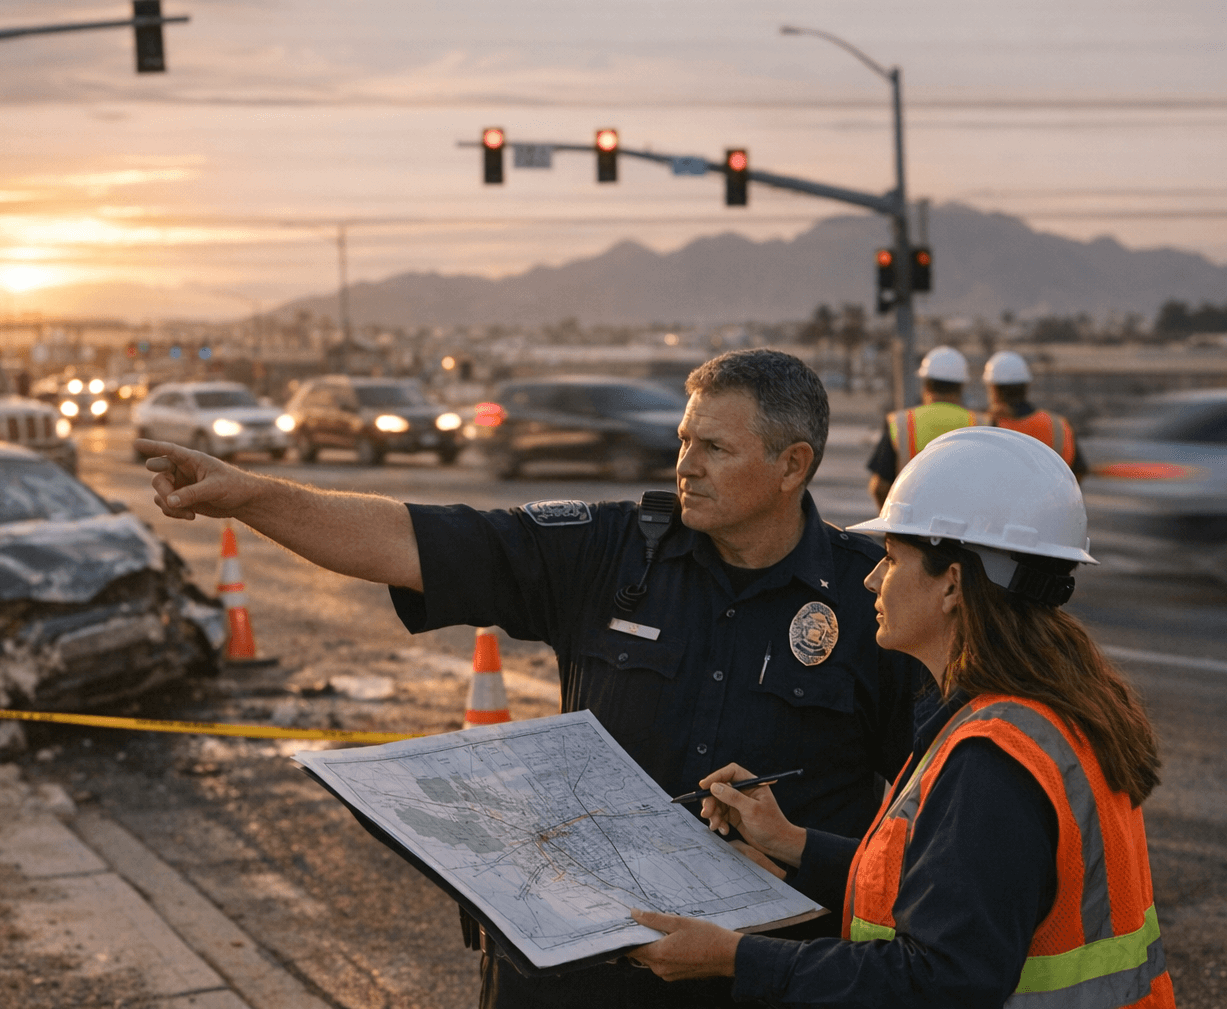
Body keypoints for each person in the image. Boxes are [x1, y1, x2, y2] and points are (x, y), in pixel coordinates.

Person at [137, 348, 926, 1009]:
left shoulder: (873, 602)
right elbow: (407, 542)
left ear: (793, 465)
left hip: (758, 976)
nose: (685, 465)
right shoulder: (611, 551)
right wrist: (248, 495)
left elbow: (933, 825)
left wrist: (807, 855)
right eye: (684, 440)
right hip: (583, 969)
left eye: (715, 448)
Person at [628, 426, 1175, 1009]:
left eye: (890, 559)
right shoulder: (1047, 711)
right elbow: (947, 884)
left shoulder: (993, 760)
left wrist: (736, 958)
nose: (871, 579)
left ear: (952, 585)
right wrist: (791, 843)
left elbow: (939, 979)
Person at [866, 344, 980, 510]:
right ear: (961, 386)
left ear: (925, 385)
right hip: (966, 523)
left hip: (911, 524)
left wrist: (892, 520)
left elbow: (879, 487)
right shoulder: (981, 423)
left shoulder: (901, 423)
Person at [984, 349, 1088, 482]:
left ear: (992, 388)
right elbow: (1078, 471)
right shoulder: (1059, 425)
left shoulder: (987, 426)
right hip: (1055, 495)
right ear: (1026, 386)